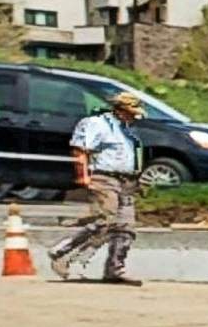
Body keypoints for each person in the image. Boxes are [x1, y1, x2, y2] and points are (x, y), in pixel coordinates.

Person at [55, 87, 147, 284]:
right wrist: (83, 177)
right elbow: (80, 150)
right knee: (105, 221)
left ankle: (115, 269)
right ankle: (63, 253)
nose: (135, 119)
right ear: (121, 110)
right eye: (132, 114)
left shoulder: (126, 130)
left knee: (126, 228)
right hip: (105, 178)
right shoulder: (97, 124)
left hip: (126, 181)